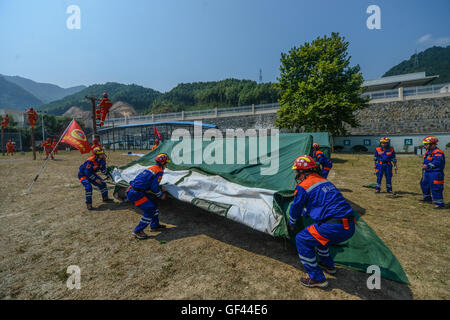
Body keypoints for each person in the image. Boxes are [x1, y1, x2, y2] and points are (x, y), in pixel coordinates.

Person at [288, 155, 356, 288]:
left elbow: (295, 208)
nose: (296, 174)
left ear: (303, 171)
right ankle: (328, 265)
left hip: (334, 226)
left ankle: (317, 278)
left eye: (297, 171)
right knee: (318, 237)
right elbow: (322, 203)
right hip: (349, 225)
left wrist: (291, 222)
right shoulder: (324, 181)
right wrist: (306, 212)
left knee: (302, 238)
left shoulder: (303, 186)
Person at [127, 153, 170, 240]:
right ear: (162, 163)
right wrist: (161, 195)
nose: (167, 165)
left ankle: (154, 225)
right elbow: (154, 187)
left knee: (153, 204)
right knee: (150, 209)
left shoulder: (152, 168)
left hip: (135, 190)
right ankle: (138, 231)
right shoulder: (159, 171)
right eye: (166, 163)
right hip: (136, 193)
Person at [420, 136, 445, 209]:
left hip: (435, 173)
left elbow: (437, 162)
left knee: (436, 187)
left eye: (426, 144)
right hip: (427, 172)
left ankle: (439, 203)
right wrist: (424, 165)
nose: (425, 146)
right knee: (424, 184)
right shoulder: (428, 152)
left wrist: (427, 165)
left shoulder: (438, 152)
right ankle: (427, 198)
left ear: (432, 144)